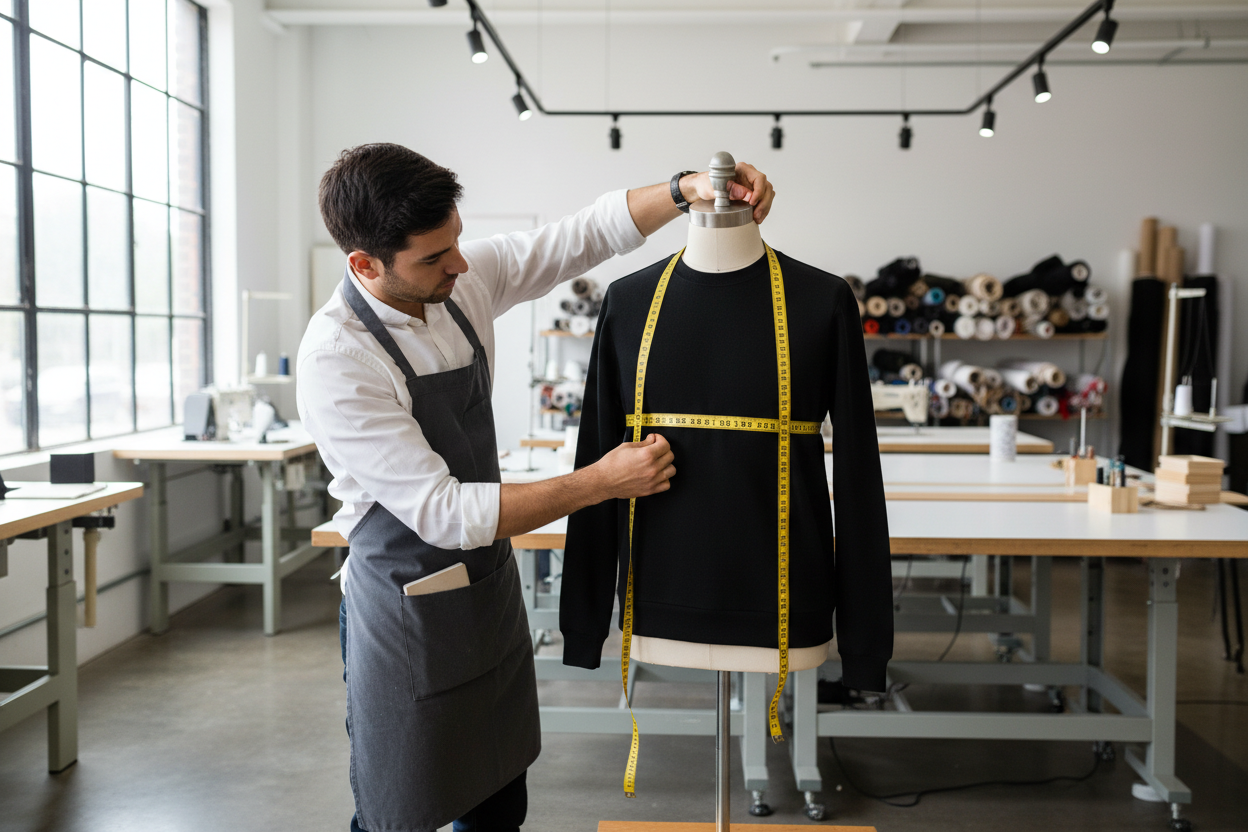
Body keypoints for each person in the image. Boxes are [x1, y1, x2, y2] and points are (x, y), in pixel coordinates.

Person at [296, 143, 775, 832]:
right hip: (407, 606)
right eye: (434, 257)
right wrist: (600, 482)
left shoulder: (461, 283)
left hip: (486, 589)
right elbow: (444, 513)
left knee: (498, 800)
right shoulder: (339, 358)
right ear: (365, 264)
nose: (459, 264)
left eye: (457, 241)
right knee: (401, 811)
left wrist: (684, 189)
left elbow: (575, 238)